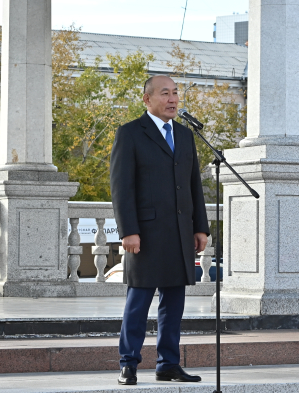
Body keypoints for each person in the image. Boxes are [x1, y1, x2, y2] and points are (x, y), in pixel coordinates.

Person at [110, 75, 209, 385]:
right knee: (138, 302)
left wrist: (200, 228)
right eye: (165, 93)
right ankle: (128, 363)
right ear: (147, 99)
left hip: (179, 232)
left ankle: (168, 364)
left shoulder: (184, 134)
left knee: (173, 303)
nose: (173, 99)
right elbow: (121, 187)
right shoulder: (130, 134)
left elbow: (194, 185)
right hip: (146, 234)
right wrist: (128, 230)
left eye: (176, 93)